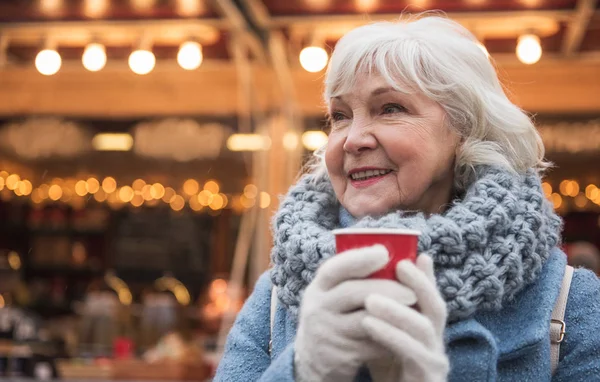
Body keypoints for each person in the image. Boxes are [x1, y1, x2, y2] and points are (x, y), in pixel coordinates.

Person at [214, 15, 600, 381]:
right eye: (340, 115)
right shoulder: (274, 298)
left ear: (465, 129)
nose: (352, 139)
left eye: (390, 108)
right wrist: (301, 370)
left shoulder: (571, 301)